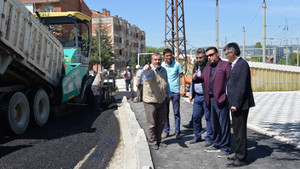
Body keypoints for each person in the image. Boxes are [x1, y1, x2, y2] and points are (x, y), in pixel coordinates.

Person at [193, 47, 231, 158]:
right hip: (210, 99)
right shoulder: (208, 67)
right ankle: (217, 143)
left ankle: (225, 147)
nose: (209, 57)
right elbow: (202, 78)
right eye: (208, 56)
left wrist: (228, 98)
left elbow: (230, 82)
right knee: (214, 123)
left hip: (221, 99)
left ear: (218, 54)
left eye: (211, 55)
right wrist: (195, 78)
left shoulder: (225, 65)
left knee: (223, 124)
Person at [224, 43, 255, 167]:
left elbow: (241, 87)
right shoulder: (235, 64)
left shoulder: (242, 65)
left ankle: (241, 158)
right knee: (236, 131)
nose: (225, 56)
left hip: (239, 105)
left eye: (226, 53)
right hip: (235, 104)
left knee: (240, 132)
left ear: (232, 53)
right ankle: (238, 154)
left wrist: (236, 103)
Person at [143, 52, 171, 150]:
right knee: (151, 123)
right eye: (155, 60)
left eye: (159, 59)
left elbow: (166, 83)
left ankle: (159, 140)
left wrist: (169, 94)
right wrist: (146, 69)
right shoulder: (150, 71)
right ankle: (152, 141)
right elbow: (146, 73)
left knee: (161, 122)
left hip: (161, 100)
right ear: (152, 61)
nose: (157, 61)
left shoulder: (163, 70)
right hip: (150, 101)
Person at [188, 48, 213, 146]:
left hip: (206, 96)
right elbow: (192, 80)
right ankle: (197, 136)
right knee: (196, 117)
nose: (198, 59)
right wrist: (191, 94)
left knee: (208, 117)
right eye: (197, 58)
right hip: (197, 97)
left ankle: (209, 138)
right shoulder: (196, 65)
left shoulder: (209, 66)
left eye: (200, 57)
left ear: (205, 57)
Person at [161, 48, 186, 139]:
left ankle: (177, 132)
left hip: (175, 92)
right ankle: (166, 131)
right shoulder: (162, 65)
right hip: (165, 92)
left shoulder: (177, 65)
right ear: (164, 56)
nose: (169, 57)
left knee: (176, 113)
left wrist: (182, 88)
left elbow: (182, 76)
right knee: (165, 113)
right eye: (167, 56)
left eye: (170, 55)